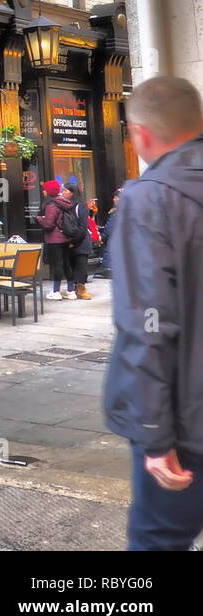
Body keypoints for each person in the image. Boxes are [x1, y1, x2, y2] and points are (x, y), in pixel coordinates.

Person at [104, 75, 203, 551]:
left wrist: (153, 433)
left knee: (158, 540)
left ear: (140, 134)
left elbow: (147, 324)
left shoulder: (151, 199)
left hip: (189, 429)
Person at [36, 179, 75, 300]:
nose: (43, 192)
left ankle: (56, 291)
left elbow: (49, 224)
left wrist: (39, 218)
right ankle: (70, 290)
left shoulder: (51, 205)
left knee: (57, 264)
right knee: (66, 263)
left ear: (48, 192)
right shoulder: (63, 202)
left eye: (44, 190)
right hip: (65, 237)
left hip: (55, 239)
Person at [62, 180, 93, 299]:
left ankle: (81, 288)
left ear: (72, 193)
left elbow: (83, 227)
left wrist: (73, 241)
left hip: (81, 241)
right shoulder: (65, 205)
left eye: (65, 190)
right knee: (72, 265)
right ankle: (73, 288)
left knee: (81, 266)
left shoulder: (81, 206)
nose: (63, 192)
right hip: (68, 240)